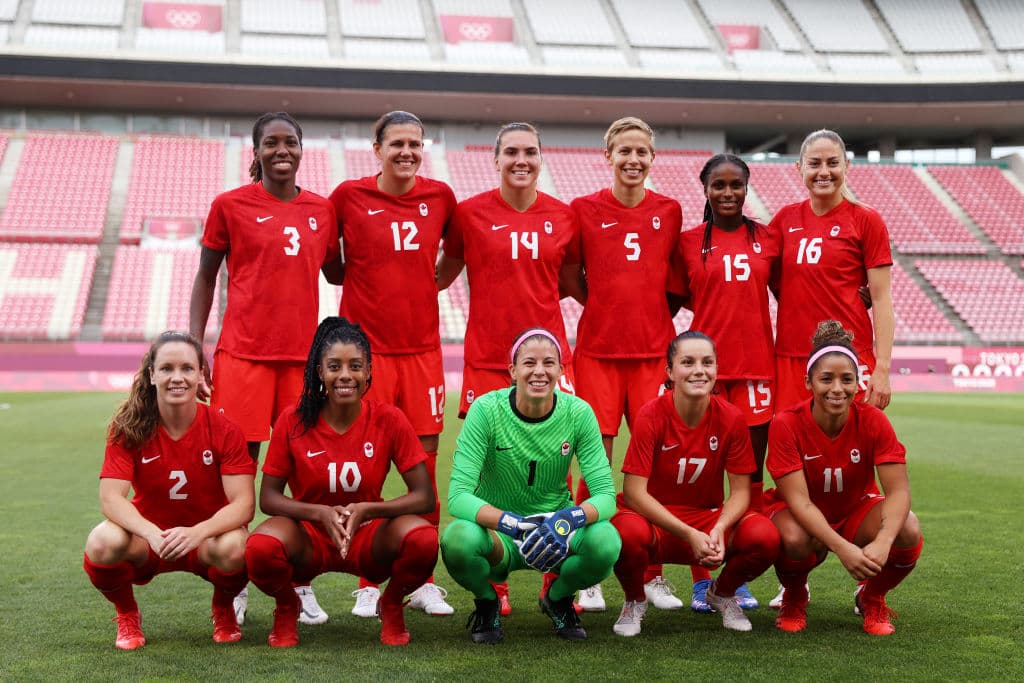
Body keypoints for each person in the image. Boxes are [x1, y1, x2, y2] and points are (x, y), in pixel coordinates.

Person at [190, 112, 342, 626]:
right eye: (272, 142)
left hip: (303, 363)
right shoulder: (229, 205)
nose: (283, 149)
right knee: (237, 472)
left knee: (301, 474)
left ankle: (297, 582)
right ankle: (232, 582)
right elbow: (206, 276)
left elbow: (340, 270)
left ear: (302, 149)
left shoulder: (322, 210)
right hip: (243, 357)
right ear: (255, 152)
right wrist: (195, 342)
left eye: (291, 141)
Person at [436, 122, 582, 615]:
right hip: (485, 357)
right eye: (512, 152)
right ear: (495, 159)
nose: (522, 160)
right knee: (489, 467)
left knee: (558, 462)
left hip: (548, 360)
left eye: (531, 152)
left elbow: (565, 283)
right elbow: (442, 274)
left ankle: (557, 571)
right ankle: (496, 577)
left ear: (541, 159)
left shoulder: (564, 216)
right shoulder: (469, 213)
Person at [328, 111, 456, 619]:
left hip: (423, 353)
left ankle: (421, 580)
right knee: (367, 468)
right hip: (366, 360)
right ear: (376, 148)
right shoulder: (347, 196)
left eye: (415, 143)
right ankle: (366, 580)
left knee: (422, 468)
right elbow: (331, 263)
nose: (407, 151)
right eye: (397, 143)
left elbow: (454, 258)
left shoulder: (441, 196)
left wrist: (431, 282)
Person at [243, 317, 438, 647]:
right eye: (334, 366)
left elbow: (424, 497)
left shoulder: (389, 418)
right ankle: (288, 606)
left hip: (368, 536)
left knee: (423, 541)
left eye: (355, 366)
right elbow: (269, 499)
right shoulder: (294, 419)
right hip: (310, 536)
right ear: (320, 372)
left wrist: (368, 509)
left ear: (368, 372)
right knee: (260, 549)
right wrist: (319, 513)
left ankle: (390, 605)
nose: (345, 375)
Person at [767, 128, 895, 610]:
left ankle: (869, 578)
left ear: (846, 167)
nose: (823, 172)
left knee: (850, 465)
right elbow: (776, 284)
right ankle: (795, 578)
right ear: (798, 170)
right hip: (790, 361)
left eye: (832, 163)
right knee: (794, 467)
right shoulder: (784, 221)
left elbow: (881, 299)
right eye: (814, 164)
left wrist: (880, 367)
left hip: (849, 364)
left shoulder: (866, 221)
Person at [568, 117, 685, 612]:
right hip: (597, 353)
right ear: (607, 155)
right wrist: (605, 310)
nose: (633, 160)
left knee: (655, 466)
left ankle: (652, 574)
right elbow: (572, 275)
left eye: (642, 151)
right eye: (624, 152)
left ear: (652, 158)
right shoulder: (584, 209)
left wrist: (650, 319)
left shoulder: (670, 211)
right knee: (595, 466)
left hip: (653, 357)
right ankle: (587, 573)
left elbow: (674, 288)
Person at [440, 329, 621, 643]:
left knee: (607, 542)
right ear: (512, 371)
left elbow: (606, 497)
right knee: (457, 539)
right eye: (529, 363)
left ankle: (558, 597)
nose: (540, 371)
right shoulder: (485, 410)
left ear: (561, 370)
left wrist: (566, 521)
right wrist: (513, 524)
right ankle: (487, 601)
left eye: (549, 363)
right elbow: (458, 496)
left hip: (557, 533)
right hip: (500, 535)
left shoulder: (578, 413)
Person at [83, 331, 255, 650]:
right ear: (152, 375)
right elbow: (110, 498)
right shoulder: (129, 426)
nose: (177, 378)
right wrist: (150, 533)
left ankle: (223, 608)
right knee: (102, 541)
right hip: (149, 541)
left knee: (240, 546)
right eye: (167, 369)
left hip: (205, 541)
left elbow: (244, 505)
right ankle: (127, 615)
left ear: (201, 374)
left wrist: (198, 532)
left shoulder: (224, 429)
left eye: (187, 368)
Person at [610, 331, 779, 636]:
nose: (699, 370)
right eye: (687, 362)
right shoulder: (650, 414)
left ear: (717, 369)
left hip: (706, 518)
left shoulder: (731, 417)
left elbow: (741, 492)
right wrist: (689, 534)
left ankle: (722, 592)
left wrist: (719, 528)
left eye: (707, 362)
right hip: (657, 523)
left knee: (764, 535)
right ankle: (635, 600)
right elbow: (634, 493)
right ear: (670, 372)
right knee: (623, 532)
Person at [766, 320, 923, 636]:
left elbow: (899, 492)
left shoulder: (873, 421)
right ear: (808, 382)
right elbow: (799, 502)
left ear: (858, 383)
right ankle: (795, 597)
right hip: (803, 515)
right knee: (792, 538)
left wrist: (882, 541)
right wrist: (842, 548)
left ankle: (872, 597)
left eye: (846, 380)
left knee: (908, 528)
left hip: (855, 511)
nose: (837, 388)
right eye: (826, 379)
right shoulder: (786, 424)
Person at [675, 154, 782, 612]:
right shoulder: (686, 243)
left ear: (746, 187)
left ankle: (736, 577)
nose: (727, 193)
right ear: (705, 189)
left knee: (748, 479)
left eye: (735, 184)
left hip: (757, 371)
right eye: (718, 185)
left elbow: (793, 294)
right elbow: (663, 305)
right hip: (704, 376)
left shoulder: (769, 239)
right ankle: (703, 579)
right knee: (702, 480)